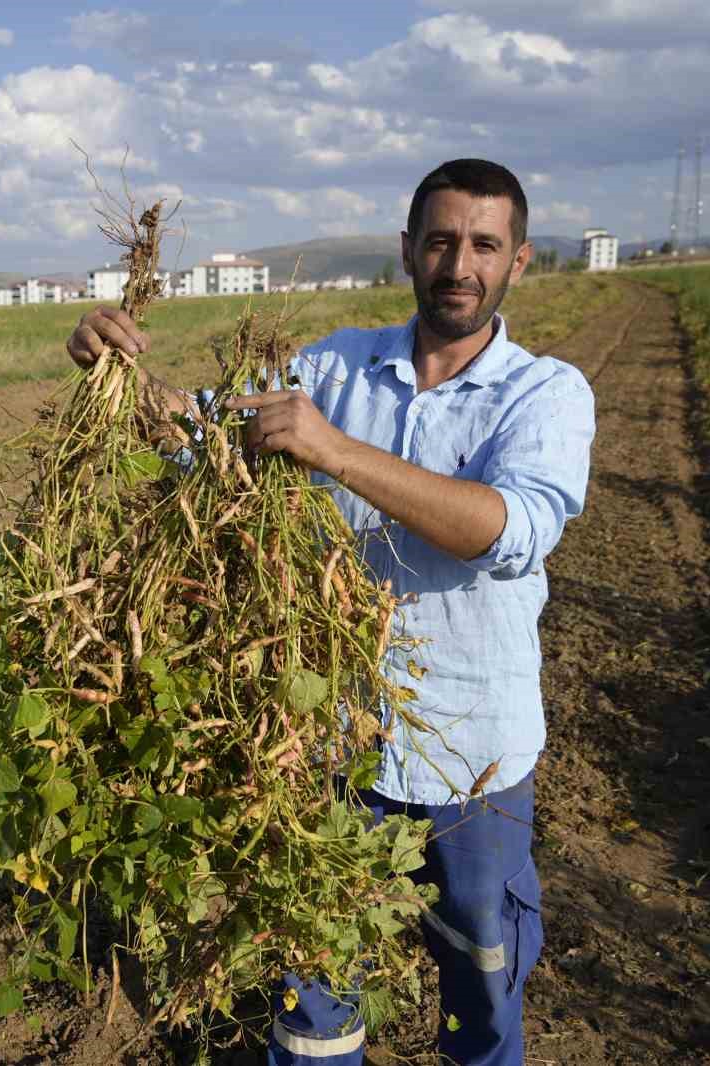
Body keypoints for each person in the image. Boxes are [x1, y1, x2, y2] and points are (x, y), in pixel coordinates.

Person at [66, 159, 595, 1066]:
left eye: (483, 245)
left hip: (476, 758)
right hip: (332, 744)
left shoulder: (545, 392)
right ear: (407, 252)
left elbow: (507, 531)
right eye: (439, 241)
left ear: (519, 262)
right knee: (312, 993)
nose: (458, 264)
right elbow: (201, 437)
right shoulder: (331, 368)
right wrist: (112, 375)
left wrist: (338, 452)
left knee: (484, 980)